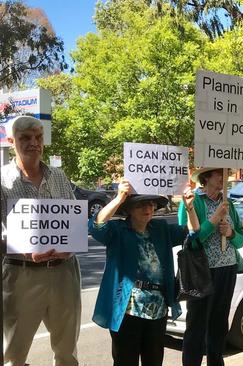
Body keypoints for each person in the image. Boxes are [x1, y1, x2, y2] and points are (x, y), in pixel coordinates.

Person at [89, 179, 200, 365]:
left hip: (158, 310)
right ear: (130, 209)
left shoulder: (161, 229)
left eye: (151, 203)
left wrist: (189, 207)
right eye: (141, 203)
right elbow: (96, 226)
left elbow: (193, 233)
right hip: (127, 310)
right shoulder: (117, 230)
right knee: (125, 361)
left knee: (154, 361)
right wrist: (119, 198)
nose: (147, 207)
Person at [1, 115, 82, 366]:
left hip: (64, 272)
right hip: (20, 273)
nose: (33, 143)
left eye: (38, 137)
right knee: (14, 354)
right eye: (25, 138)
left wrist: (72, 243)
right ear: (11, 141)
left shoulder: (59, 176)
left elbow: (71, 220)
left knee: (67, 352)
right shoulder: (2, 180)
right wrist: (22, 248)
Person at [179, 167, 243, 366]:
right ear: (206, 177)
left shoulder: (229, 205)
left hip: (227, 269)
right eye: (220, 174)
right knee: (196, 325)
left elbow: (241, 241)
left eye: (226, 174)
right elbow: (191, 240)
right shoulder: (193, 202)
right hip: (202, 272)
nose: (224, 178)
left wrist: (232, 234)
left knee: (219, 324)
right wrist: (215, 218)